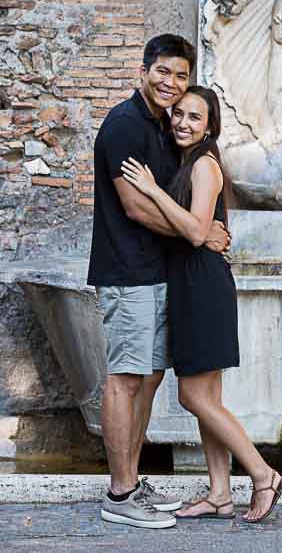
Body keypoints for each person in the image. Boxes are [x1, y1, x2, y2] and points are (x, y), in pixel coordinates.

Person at [120, 85, 282, 524]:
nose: (182, 122)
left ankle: (263, 473)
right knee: (208, 397)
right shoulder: (188, 163)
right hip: (195, 282)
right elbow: (200, 231)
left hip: (201, 285)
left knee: (194, 396)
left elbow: (196, 232)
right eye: (178, 114)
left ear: (210, 126)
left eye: (195, 117)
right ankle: (219, 494)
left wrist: (154, 192)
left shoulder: (205, 166)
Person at [87, 35, 230, 529]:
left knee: (147, 378)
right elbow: (135, 205)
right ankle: (120, 493)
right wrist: (198, 233)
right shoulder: (125, 126)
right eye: (163, 72)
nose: (172, 84)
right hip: (128, 271)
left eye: (181, 75)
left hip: (157, 271)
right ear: (144, 70)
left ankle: (132, 480)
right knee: (125, 379)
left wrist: (200, 230)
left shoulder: (162, 127)